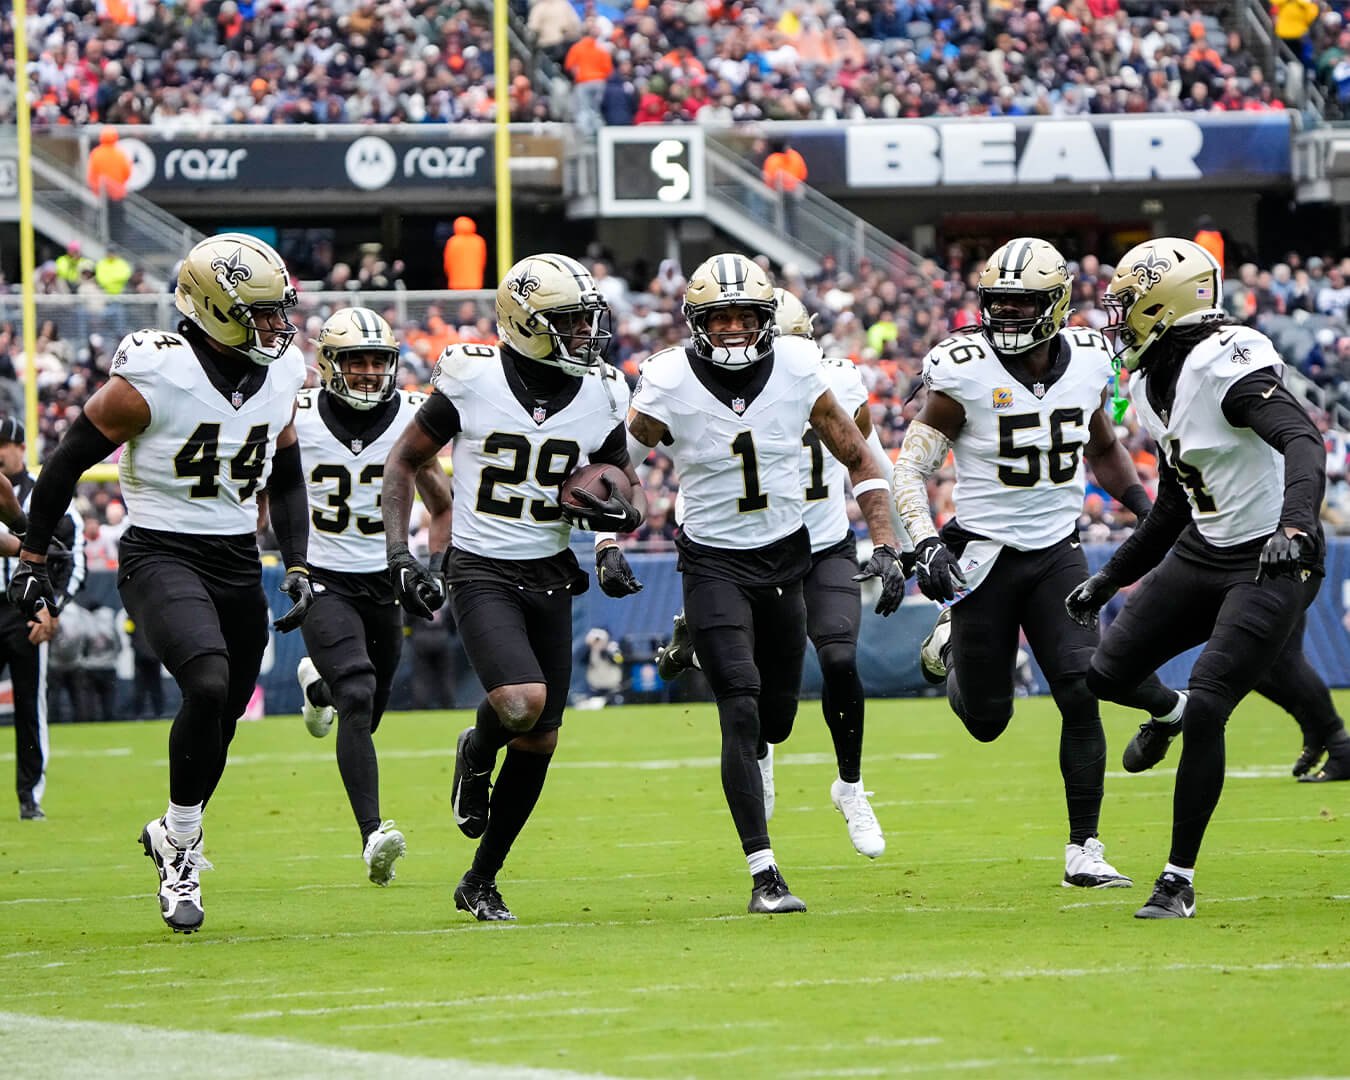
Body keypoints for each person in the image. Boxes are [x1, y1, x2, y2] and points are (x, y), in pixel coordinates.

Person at [7, 232, 314, 933]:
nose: (278, 325)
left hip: (237, 559)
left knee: (223, 717)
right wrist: (33, 558)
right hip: (160, 551)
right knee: (206, 684)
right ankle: (181, 851)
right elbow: (67, 460)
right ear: (215, 309)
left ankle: (173, 832)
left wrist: (297, 562)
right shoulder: (157, 371)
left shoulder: (282, 374)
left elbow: (288, 477)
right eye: (262, 312)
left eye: (280, 310)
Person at [1066, 238, 1341, 918]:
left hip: (1271, 555)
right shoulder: (1148, 381)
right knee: (1106, 675)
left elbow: (1303, 439)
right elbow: (1173, 502)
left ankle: (1177, 881)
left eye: (1128, 306)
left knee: (1214, 703)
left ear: (1163, 305)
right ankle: (1173, 712)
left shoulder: (1226, 361)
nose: (1117, 320)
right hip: (1205, 546)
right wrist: (1112, 578)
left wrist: (1294, 529)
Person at [628, 253, 906, 914]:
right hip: (712, 559)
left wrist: (887, 539)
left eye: (744, 317)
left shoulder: (803, 367)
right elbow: (618, 460)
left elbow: (858, 455)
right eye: (718, 317)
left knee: (776, 720)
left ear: (769, 322)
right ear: (695, 322)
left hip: (787, 556)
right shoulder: (668, 377)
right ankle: (765, 873)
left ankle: (715, 659)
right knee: (741, 705)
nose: (732, 329)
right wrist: (610, 537)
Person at [892, 238, 1163, 893]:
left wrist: (1143, 508)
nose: (1007, 314)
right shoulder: (963, 369)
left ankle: (1084, 850)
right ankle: (951, 644)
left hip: (1056, 552)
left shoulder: (1090, 360)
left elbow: (1102, 446)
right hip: (983, 555)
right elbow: (909, 468)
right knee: (988, 721)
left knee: (1081, 689)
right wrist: (926, 542)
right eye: (999, 302)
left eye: (1022, 303)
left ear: (1057, 305)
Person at [382, 253, 646, 922]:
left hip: (550, 569)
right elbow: (405, 459)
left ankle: (480, 879)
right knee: (522, 703)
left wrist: (613, 538)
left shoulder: (602, 391)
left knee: (540, 738)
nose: (586, 333)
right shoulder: (472, 378)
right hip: (481, 567)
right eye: (569, 321)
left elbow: (621, 482)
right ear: (525, 323)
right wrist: (400, 552)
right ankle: (476, 750)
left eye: (587, 320)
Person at [290, 306, 452, 886]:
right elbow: (267, 488)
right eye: (355, 360)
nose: (367, 371)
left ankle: (318, 687)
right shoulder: (296, 414)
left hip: (386, 577)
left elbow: (443, 505)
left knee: (370, 707)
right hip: (322, 577)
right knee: (357, 695)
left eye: (377, 360)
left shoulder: (409, 417)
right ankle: (372, 836)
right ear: (328, 364)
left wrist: (435, 568)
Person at [0, 418, 86, 821]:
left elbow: (72, 556)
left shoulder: (45, 492)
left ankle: (29, 795)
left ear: (21, 447)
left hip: (25, 609)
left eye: (4, 443)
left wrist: (52, 609)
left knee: (30, 705)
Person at [86, 126, 132, 243]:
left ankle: (101, 241)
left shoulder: (96, 153)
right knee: (117, 221)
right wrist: (118, 186)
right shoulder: (120, 153)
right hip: (117, 194)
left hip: (102, 193)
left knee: (102, 219)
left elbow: (91, 174)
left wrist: (96, 189)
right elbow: (127, 172)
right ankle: (118, 244)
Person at [443, 216, 487, 291]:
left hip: (456, 283)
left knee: (458, 297)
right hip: (474, 282)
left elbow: (447, 263)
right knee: (473, 297)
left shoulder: (453, 242)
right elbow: (482, 261)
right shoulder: (479, 241)